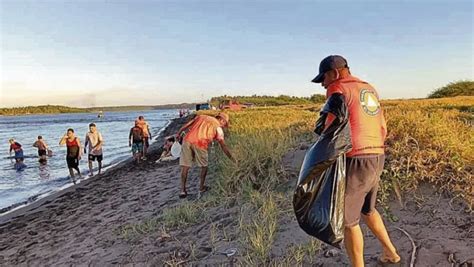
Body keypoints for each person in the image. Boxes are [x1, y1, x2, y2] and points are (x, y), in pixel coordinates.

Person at [311, 55, 400, 266]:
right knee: (368, 210)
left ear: (335, 73)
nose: (323, 84)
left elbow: (329, 128)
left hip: (356, 159)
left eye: (324, 78)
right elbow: (383, 126)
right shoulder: (369, 88)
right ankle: (391, 253)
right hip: (377, 155)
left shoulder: (337, 88)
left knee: (349, 222)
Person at [176, 112, 235, 198]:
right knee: (204, 166)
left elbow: (188, 124)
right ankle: (201, 188)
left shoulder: (202, 117)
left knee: (185, 166)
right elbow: (223, 146)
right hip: (200, 143)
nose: (223, 125)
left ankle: (182, 190)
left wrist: (179, 133)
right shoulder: (218, 128)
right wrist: (232, 158)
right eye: (224, 123)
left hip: (187, 140)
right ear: (222, 120)